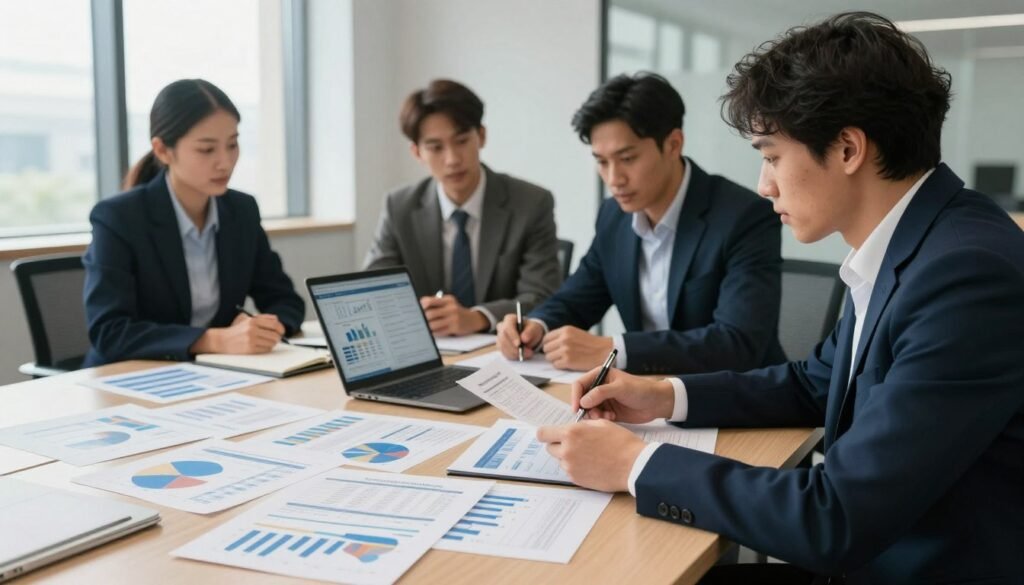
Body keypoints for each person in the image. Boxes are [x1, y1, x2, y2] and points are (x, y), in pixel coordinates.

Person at [536, 12, 1024, 584]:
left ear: (847, 149)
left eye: (771, 156)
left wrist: (635, 463)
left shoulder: (965, 275)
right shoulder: (918, 243)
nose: (765, 185)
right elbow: (812, 384)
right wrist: (660, 395)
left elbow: (834, 516)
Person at [497, 73, 784, 375]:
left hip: (736, 402)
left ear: (673, 144)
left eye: (628, 158)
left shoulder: (744, 217)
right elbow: (577, 298)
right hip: (644, 397)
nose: (614, 179)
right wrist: (536, 326)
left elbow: (737, 343)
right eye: (602, 162)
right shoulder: (613, 216)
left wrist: (614, 350)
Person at [83, 79, 304, 367]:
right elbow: (110, 332)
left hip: (215, 375)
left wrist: (261, 327)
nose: (225, 162)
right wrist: (214, 340)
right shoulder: (119, 218)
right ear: (163, 150)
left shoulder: (241, 211)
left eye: (233, 144)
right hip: (128, 378)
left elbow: (286, 301)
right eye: (206, 149)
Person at [363, 79, 562, 337]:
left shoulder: (531, 203)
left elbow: (542, 296)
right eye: (435, 148)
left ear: (481, 136)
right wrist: (417, 313)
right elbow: (372, 291)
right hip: (430, 353)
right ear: (417, 152)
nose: (453, 159)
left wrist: (477, 318)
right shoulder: (399, 206)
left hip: (504, 353)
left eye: (461, 141)